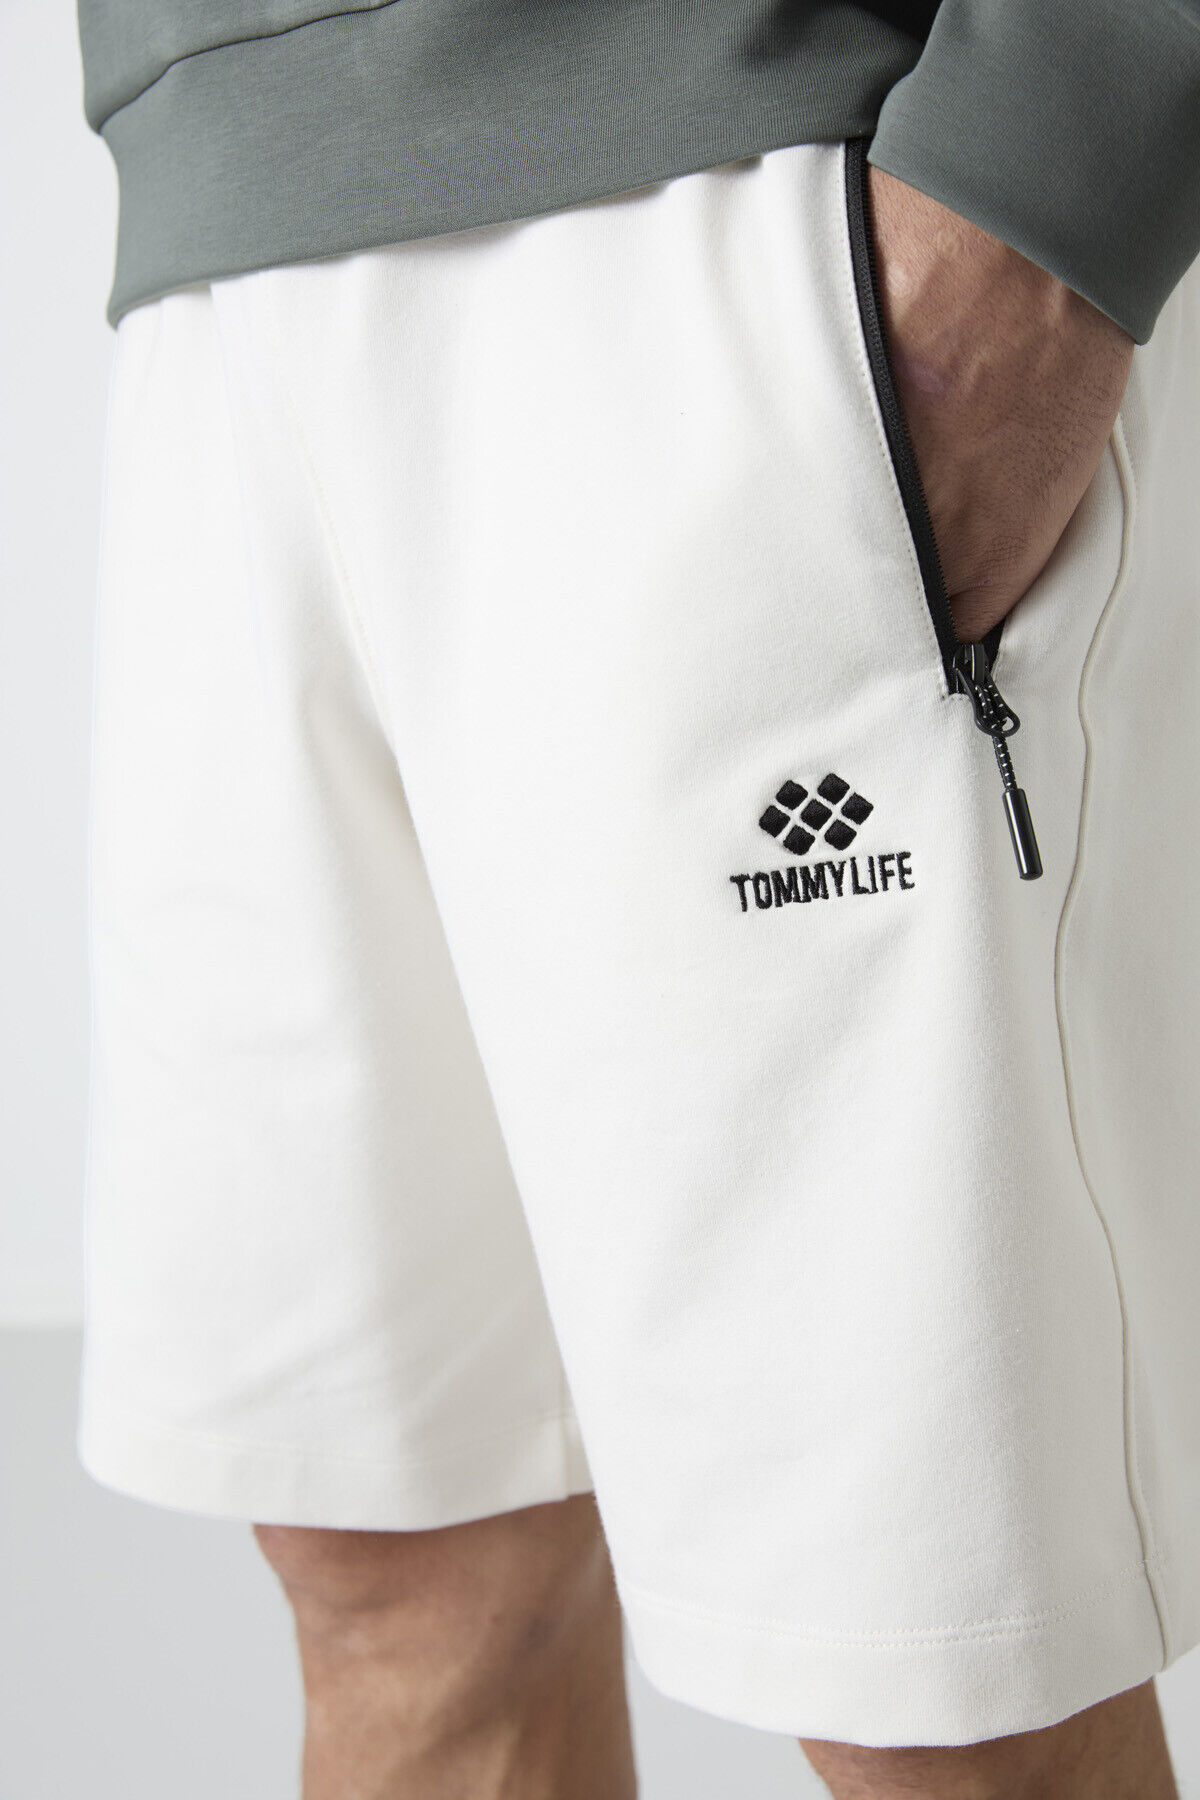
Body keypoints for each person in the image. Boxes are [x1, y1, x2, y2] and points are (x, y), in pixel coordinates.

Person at [72, 2, 1199, 1794]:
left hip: (742, 179)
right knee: (395, 1573)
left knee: (935, 1676)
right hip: (212, 257)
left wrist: (1064, 136)